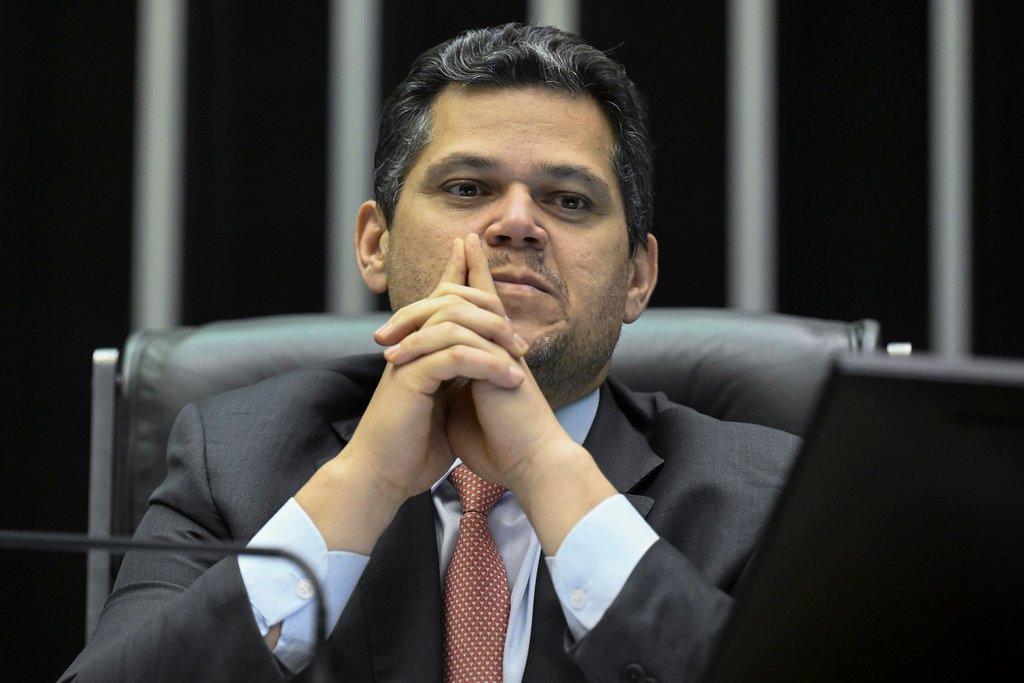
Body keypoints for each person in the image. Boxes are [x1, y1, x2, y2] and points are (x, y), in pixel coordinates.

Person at [63, 23, 798, 682]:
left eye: (569, 200)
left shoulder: (769, 497)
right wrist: (363, 484)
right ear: (375, 246)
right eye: (468, 188)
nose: (518, 223)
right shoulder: (234, 463)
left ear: (638, 276)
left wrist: (546, 468)